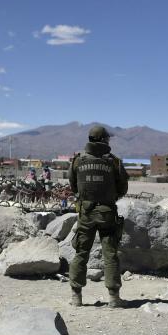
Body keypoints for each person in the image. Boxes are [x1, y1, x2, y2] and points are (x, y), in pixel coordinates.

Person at [68, 125, 129, 308]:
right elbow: (123, 187)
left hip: (85, 213)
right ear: (104, 140)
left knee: (81, 252)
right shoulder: (114, 162)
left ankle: (76, 297)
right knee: (110, 254)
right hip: (107, 214)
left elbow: (73, 186)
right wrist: (110, 197)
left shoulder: (78, 160)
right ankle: (113, 298)